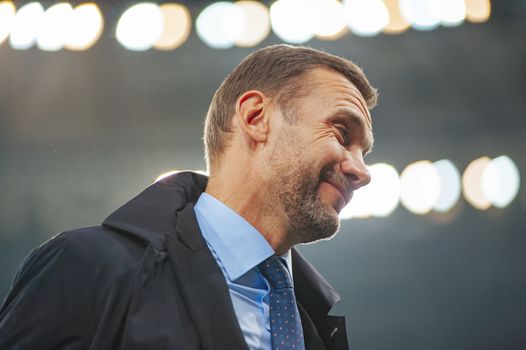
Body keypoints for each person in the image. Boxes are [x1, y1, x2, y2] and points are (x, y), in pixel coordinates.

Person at [0, 44, 377, 350]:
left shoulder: (309, 319)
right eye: (342, 133)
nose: (362, 171)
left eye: (365, 152)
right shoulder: (90, 267)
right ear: (256, 117)